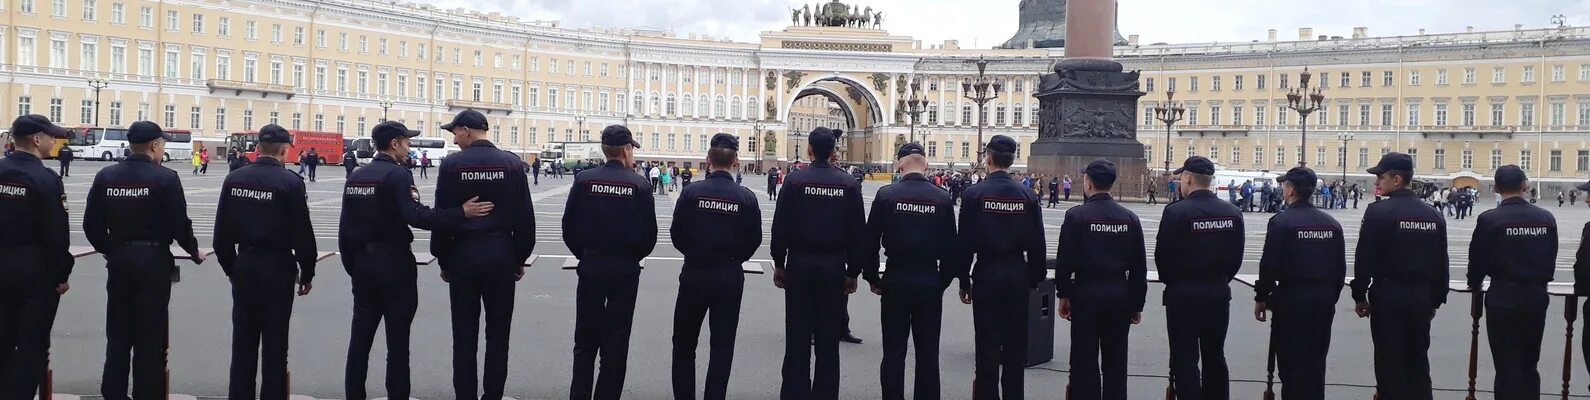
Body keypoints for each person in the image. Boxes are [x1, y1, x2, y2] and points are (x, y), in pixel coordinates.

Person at [338, 122, 494, 400]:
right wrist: (460, 212)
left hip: (363, 263)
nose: (409, 147)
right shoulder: (397, 175)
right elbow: (416, 215)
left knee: (359, 340)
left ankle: (354, 395)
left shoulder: (357, 177)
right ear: (395, 143)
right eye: (407, 142)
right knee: (397, 342)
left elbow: (345, 229)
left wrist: (355, 265)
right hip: (394, 263)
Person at [86, 121, 206, 400]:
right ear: (154, 145)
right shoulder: (166, 178)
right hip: (153, 260)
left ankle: (113, 393)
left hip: (120, 259)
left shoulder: (106, 176)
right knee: (149, 337)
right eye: (162, 144)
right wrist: (193, 251)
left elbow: (91, 225)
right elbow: (180, 224)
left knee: (117, 333)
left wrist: (111, 250)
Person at [430, 110, 536, 399]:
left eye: (455, 132)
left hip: (463, 254)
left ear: (466, 130)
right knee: (498, 335)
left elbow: (442, 215)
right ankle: (493, 396)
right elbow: (525, 218)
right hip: (501, 254)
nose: (454, 137)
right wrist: (519, 258)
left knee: (463, 335)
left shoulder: (452, 164)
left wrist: (443, 258)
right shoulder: (512, 164)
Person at [213, 124, 317, 400]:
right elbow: (303, 235)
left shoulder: (235, 179)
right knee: (275, 344)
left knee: (243, 344)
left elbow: (221, 234)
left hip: (245, 263)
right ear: (284, 150)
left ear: (258, 148)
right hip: (278, 265)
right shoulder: (291, 183)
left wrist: (232, 269)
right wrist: (307, 273)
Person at [769, 127, 867, 399]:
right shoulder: (848, 184)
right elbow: (857, 231)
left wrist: (779, 261)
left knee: (797, 339)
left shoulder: (795, 181)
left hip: (800, 264)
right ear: (835, 152)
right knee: (827, 343)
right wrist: (853, 272)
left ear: (809, 150)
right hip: (833, 266)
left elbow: (781, 226)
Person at [563, 126, 656, 400]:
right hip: (625, 269)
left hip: (592, 264)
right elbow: (649, 233)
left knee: (584, 340)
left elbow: (569, 225)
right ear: (626, 149)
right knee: (616, 340)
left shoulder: (584, 180)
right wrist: (633, 256)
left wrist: (584, 253)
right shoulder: (639, 184)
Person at [862, 143, 957, 400]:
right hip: (928, 279)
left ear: (899, 164)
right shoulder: (941, 198)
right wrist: (942, 281)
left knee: (893, 350)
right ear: (925, 166)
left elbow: (869, 241)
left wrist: (872, 276)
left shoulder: (886, 195)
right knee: (928, 352)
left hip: (896, 278)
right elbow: (951, 247)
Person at [1349, 152, 1448, 400]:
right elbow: (1441, 262)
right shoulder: (1433, 215)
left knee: (1388, 361)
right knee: (1418, 360)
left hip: (1388, 295)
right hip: (1421, 297)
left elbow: (1364, 259)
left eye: (1381, 177)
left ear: (1396, 180)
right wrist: (1435, 299)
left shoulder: (1378, 213)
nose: (1377, 183)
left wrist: (1359, 295)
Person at [670, 133, 760, 400]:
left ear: (708, 160)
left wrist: (695, 253)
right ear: (736, 161)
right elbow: (753, 240)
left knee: (684, 344)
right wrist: (734, 259)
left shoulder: (691, 192)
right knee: (722, 344)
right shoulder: (746, 197)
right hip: (729, 275)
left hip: (695, 272)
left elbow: (677, 235)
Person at [957, 135, 1046, 399]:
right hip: (1017, 274)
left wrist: (964, 279)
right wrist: (1034, 279)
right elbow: (1037, 244)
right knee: (1015, 347)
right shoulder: (1027, 195)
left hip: (986, 273)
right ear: (1012, 160)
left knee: (986, 345)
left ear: (989, 158)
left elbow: (965, 243)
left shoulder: (974, 194)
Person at [1056, 159, 1147, 400]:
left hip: (1085, 292)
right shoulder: (1129, 218)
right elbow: (1139, 267)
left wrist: (1064, 294)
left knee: (1084, 360)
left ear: (1088, 183)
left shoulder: (1077, 216)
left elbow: (1064, 262)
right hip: (1119, 293)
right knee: (1116, 361)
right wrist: (1137, 303)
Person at [1253, 166, 1345, 400]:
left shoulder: (1281, 222)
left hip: (1290, 300)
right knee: (1315, 364)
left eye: (1284, 185)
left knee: (1291, 365)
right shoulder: (1331, 224)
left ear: (1291, 190)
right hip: (1322, 301)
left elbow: (1269, 266)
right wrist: (1329, 297)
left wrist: (1262, 298)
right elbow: (1339, 270)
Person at [1156, 157, 1243, 400]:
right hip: (1217, 291)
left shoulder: (1175, 212)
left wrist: (1173, 281)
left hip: (1182, 294)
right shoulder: (1232, 212)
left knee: (1185, 358)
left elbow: (1163, 257)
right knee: (1215, 354)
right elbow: (1236, 257)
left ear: (1188, 178)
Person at [0, 115, 74, 398]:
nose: (54, 141)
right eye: (51, 136)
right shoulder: (46, 179)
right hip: (33, 274)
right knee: (30, 345)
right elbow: (56, 235)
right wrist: (61, 276)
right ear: (36, 140)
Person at [1471, 165, 1556, 400]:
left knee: (1505, 364)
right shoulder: (1545, 218)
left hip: (1502, 296)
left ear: (1496, 188)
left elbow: (1477, 260)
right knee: (1530, 363)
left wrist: (1475, 283)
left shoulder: (1489, 219)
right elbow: (1551, 258)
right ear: (1525, 186)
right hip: (1535, 297)